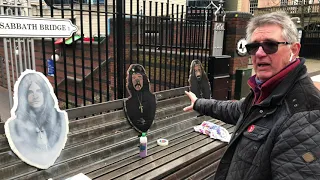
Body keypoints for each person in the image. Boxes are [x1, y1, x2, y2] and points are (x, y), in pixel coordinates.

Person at [184, 11, 320, 180]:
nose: (260, 53)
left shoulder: (305, 116)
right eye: (254, 47)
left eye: (270, 45)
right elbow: (237, 109)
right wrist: (199, 103)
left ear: (294, 50)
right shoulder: (265, 91)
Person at [5, 70, 68, 169]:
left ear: (44, 94)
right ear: (24, 97)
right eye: (30, 92)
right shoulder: (16, 126)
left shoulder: (59, 119)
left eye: (38, 91)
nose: (35, 95)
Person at [124, 64, 156, 133]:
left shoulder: (151, 98)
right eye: (134, 78)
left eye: (139, 77)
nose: (137, 80)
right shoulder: (128, 103)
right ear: (131, 81)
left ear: (143, 80)